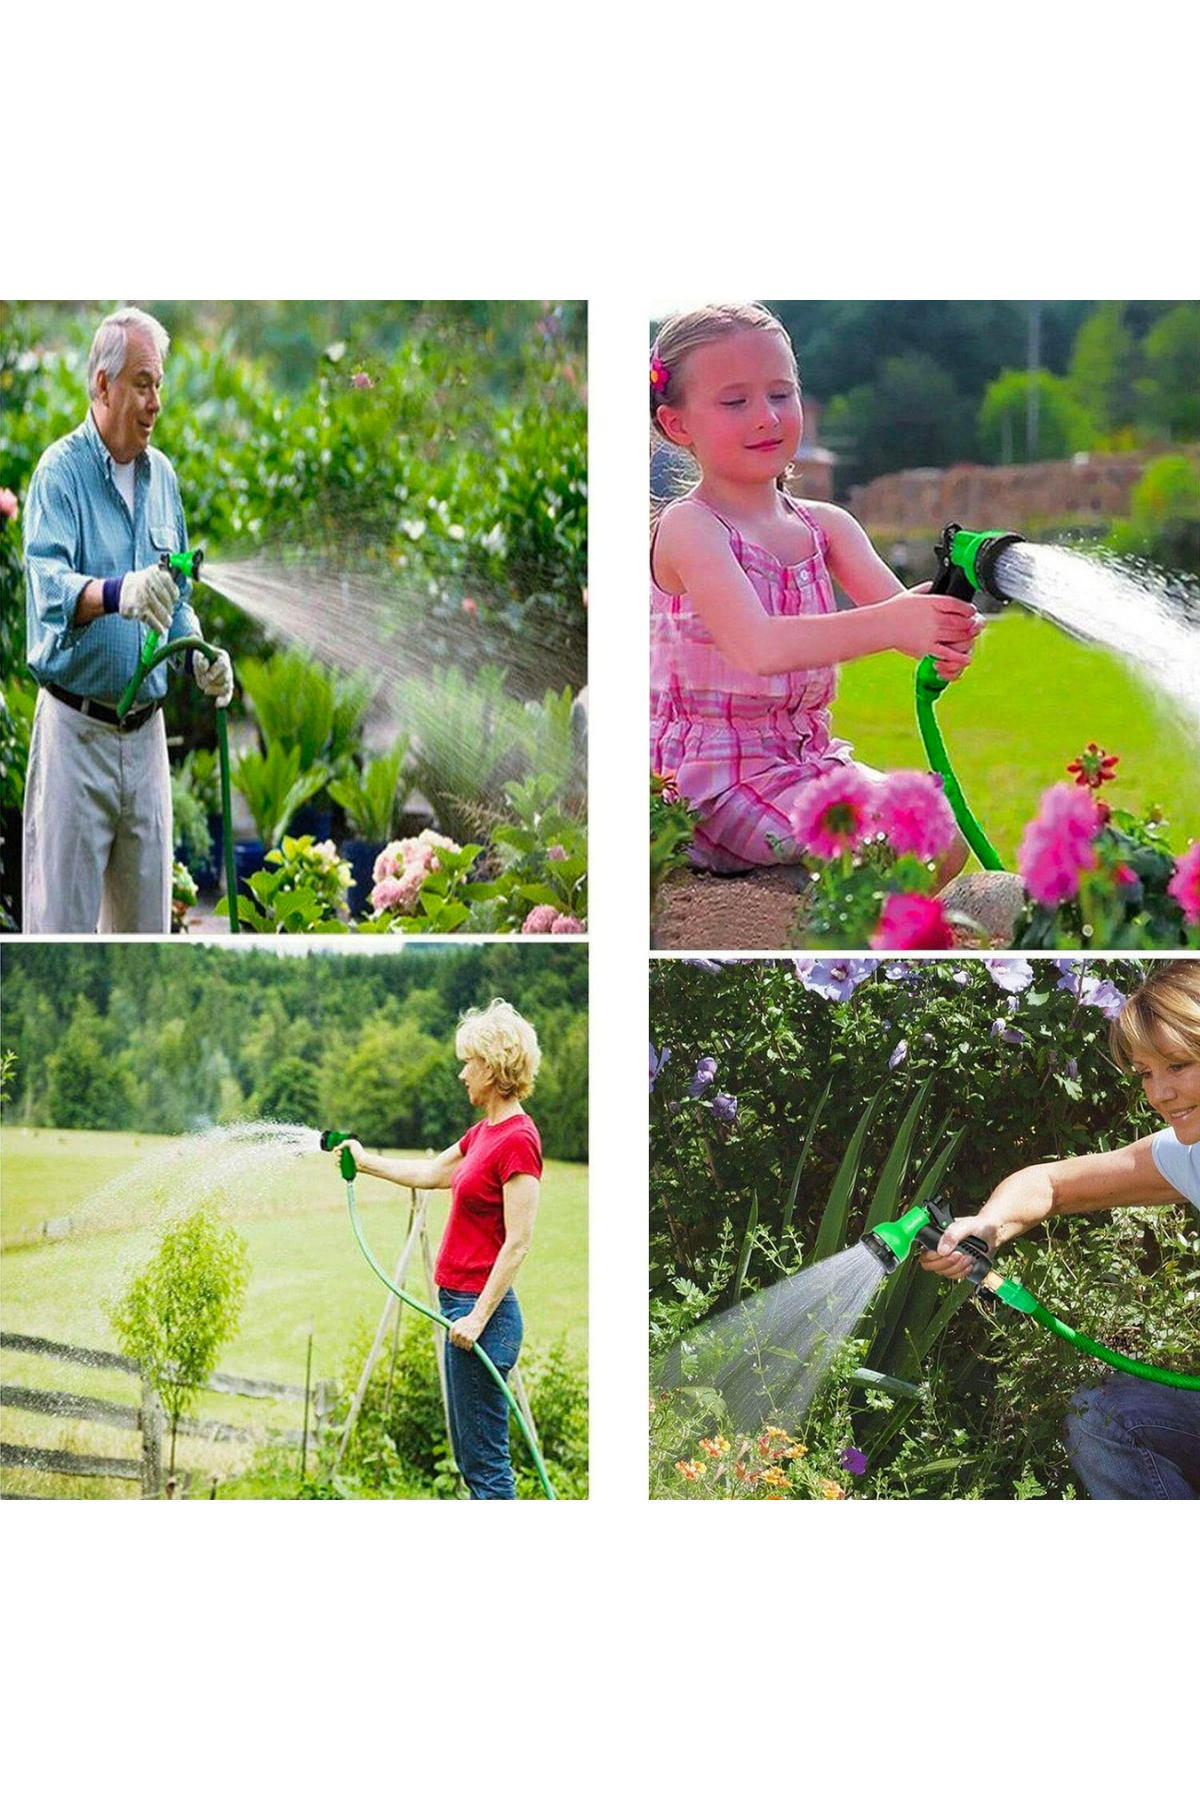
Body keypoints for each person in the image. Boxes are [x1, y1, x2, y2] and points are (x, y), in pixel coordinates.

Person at [649, 303, 981, 876]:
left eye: (782, 394)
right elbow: (760, 647)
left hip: (809, 762)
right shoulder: (691, 528)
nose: (767, 418)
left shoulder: (826, 527)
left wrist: (944, 626)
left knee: (941, 836)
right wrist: (899, 622)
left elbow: (904, 622)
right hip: (714, 782)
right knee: (880, 857)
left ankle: (867, 950)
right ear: (678, 425)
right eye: (736, 401)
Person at [921, 961, 1200, 1499]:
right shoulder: (1189, 1155)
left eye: (1179, 1065)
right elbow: (1052, 1184)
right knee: (1108, 1419)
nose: (1160, 1093)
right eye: (1145, 1073)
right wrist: (989, 1225)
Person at [22, 306, 233, 933]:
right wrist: (118, 593)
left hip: (146, 742)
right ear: (102, 384)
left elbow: (176, 592)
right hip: (76, 737)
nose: (155, 402)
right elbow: (50, 591)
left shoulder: (162, 477)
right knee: (60, 930)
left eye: (159, 384)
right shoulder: (59, 475)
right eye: (142, 383)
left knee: (147, 934)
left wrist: (196, 651)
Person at [343, 999, 543, 1500]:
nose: (461, 1074)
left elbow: (518, 1243)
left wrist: (476, 1318)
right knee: (473, 1459)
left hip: (483, 1317)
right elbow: (431, 1173)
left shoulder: (519, 1140)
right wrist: (364, 1162)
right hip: (459, 1306)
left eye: (469, 1063)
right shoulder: (484, 1134)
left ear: (495, 1068)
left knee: (486, 1467)